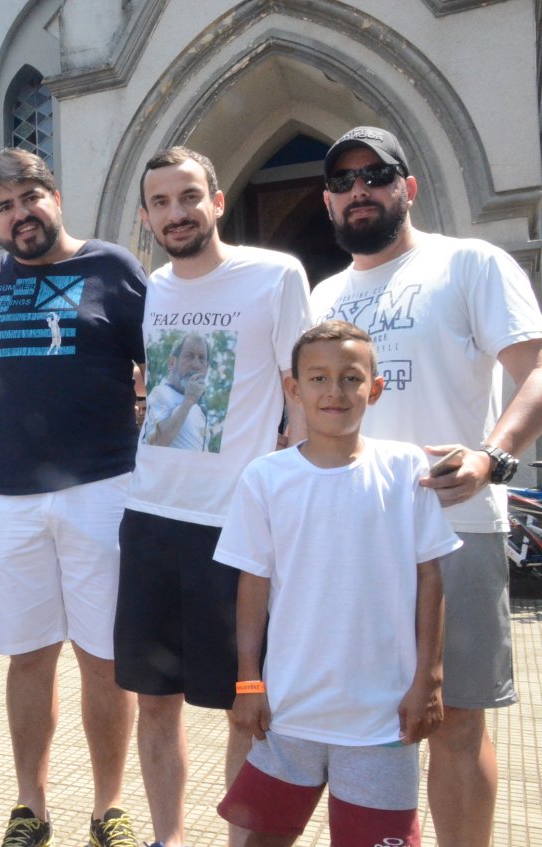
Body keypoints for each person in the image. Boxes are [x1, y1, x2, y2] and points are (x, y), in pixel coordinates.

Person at [310, 125, 542, 847]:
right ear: (328, 201)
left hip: (454, 526)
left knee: (455, 720)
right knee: (367, 723)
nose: (359, 190)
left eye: (376, 175)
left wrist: (493, 458)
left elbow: (535, 370)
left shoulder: (469, 263)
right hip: (351, 538)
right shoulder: (324, 294)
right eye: (343, 181)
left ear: (407, 188)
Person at [115, 147, 311, 847]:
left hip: (236, 528)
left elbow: (300, 392)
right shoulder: (151, 290)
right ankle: (167, 838)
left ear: (217, 201)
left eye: (189, 197)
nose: (177, 213)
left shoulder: (275, 275)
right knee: (154, 704)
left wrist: (289, 499)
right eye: (161, 202)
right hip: (149, 520)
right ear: (146, 217)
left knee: (245, 707)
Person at [0, 148, 147, 847]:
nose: (20, 214)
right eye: (4, 207)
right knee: (29, 655)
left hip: (103, 489)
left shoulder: (112, 268)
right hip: (12, 498)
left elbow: (158, 361)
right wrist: (23, 415)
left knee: (103, 656)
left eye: (30, 198)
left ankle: (108, 808)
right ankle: (30, 806)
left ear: (56, 198)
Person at [214, 321, 457, 847]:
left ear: (376, 387)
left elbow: (429, 576)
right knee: (264, 838)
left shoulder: (405, 468)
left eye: (351, 378)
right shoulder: (265, 477)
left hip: (383, 722)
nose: (335, 392)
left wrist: (429, 679)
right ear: (294, 388)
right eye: (319, 378)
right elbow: (253, 585)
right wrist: (249, 683)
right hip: (288, 715)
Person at [142, 332, 209, 450]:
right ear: (172, 363)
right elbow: (158, 443)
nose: (196, 365)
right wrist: (188, 401)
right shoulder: (160, 393)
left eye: (202, 358)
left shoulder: (199, 409)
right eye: (190, 356)